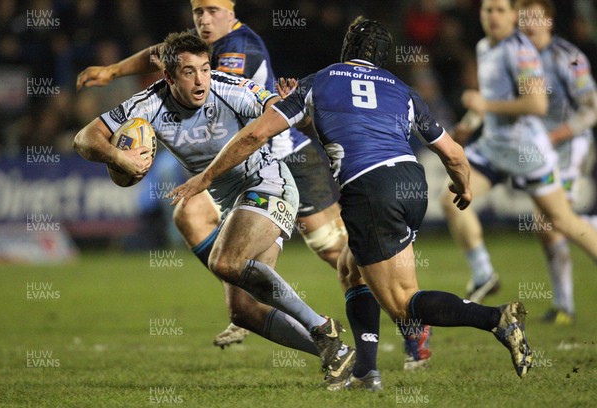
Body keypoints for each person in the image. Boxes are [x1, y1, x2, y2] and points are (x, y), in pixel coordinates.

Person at [167, 17, 534, 389]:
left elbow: (257, 134)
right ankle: (366, 373)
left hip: (369, 189)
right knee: (349, 266)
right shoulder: (401, 89)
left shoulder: (322, 80)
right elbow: (454, 154)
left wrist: (206, 177)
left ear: (348, 48)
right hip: (412, 183)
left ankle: (496, 319)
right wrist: (464, 187)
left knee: (402, 301)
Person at [73, 31, 354, 382]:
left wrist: (285, 105)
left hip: (268, 184)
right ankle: (338, 355)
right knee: (245, 312)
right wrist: (120, 157)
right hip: (232, 204)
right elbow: (84, 138)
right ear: (169, 76)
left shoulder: (229, 87)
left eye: (205, 69)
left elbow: (273, 108)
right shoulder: (148, 103)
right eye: (189, 72)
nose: (200, 79)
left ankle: (321, 327)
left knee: (225, 260)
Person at [442, 0, 597, 304]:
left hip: (531, 150)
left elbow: (537, 104)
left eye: (500, 10)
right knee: (450, 200)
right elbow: (490, 98)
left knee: (562, 222)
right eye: (488, 10)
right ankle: (484, 274)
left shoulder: (525, 53)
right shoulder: (485, 47)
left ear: (514, 16)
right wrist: (468, 124)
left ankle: (565, 300)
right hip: (494, 146)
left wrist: (484, 106)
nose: (493, 16)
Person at [518, 0, 597, 323]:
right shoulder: (517, 57)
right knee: (545, 224)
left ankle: (565, 306)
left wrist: (559, 134)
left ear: (549, 22)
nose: (529, 24)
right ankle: (564, 305)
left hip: (570, 146)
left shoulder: (570, 57)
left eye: (536, 18)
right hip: (541, 151)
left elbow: (591, 109)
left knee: (556, 219)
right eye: (524, 19)